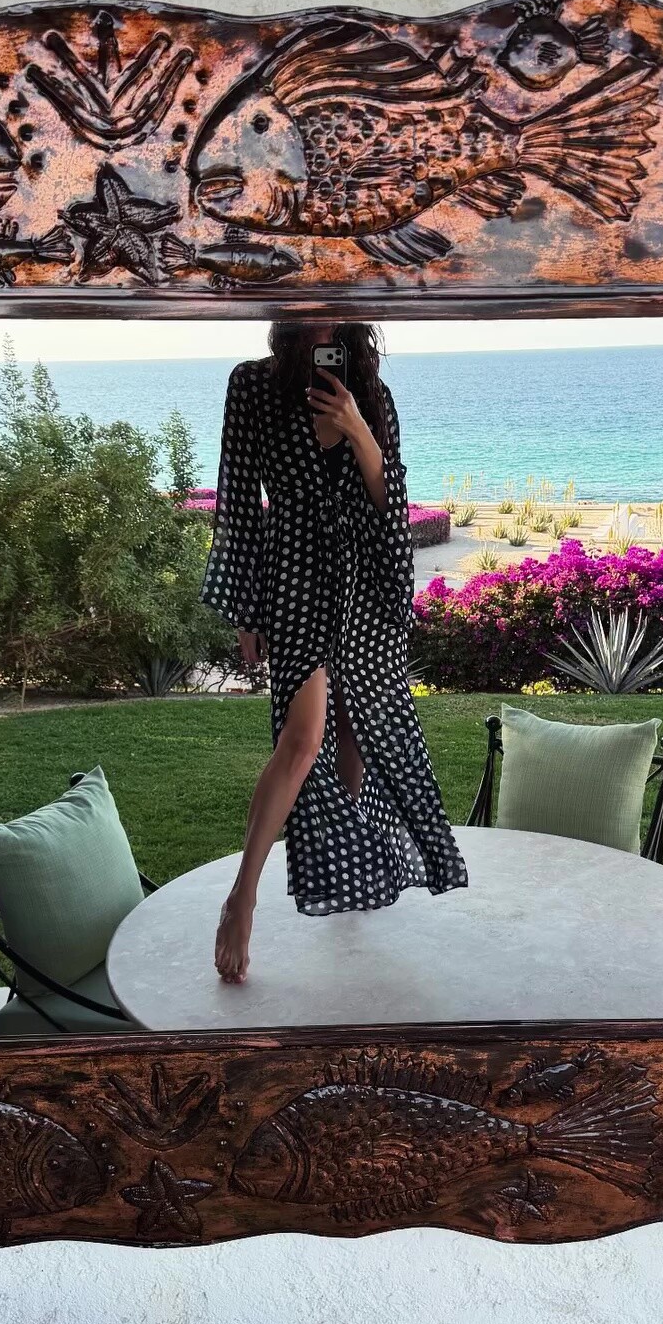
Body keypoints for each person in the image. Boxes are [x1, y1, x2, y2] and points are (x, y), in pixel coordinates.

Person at [200, 320, 468, 981]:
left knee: (358, 728)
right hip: (295, 575)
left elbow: (389, 498)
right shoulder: (253, 385)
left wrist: (356, 427)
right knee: (302, 739)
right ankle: (242, 897)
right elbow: (239, 500)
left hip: (366, 580)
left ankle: (347, 866)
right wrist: (248, 606)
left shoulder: (370, 393)